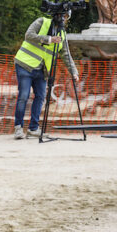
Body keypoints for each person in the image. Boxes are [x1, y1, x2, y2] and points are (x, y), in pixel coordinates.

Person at [13, 11, 79, 139]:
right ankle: (18, 128)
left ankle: (33, 128)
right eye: (62, 16)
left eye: (66, 17)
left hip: (42, 70)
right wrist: (49, 39)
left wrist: (74, 72)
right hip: (25, 64)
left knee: (41, 97)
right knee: (23, 96)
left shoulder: (62, 34)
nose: (63, 19)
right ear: (56, 15)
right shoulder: (41, 22)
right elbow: (28, 35)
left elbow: (66, 55)